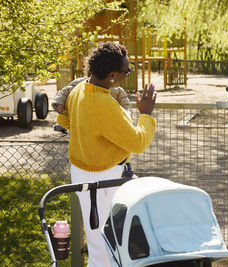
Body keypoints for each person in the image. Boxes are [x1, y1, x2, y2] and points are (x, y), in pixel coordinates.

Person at [56, 42, 156, 267]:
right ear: (111, 74)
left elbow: (66, 121)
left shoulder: (81, 89)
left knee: (96, 239)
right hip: (103, 179)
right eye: (126, 71)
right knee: (107, 240)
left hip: (82, 172)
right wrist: (146, 115)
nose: (127, 74)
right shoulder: (102, 104)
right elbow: (138, 142)